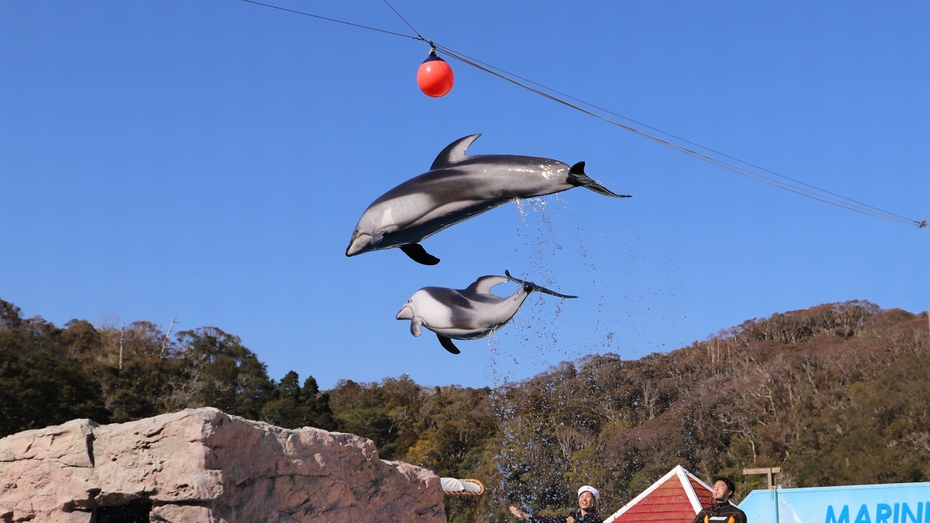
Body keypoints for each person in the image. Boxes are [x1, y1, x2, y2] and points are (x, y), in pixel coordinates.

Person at [509, 485, 603, 523]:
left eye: (587, 496)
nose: (584, 499)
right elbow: (549, 521)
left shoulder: (596, 519)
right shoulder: (571, 517)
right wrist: (525, 515)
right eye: (582, 496)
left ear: (593, 501)